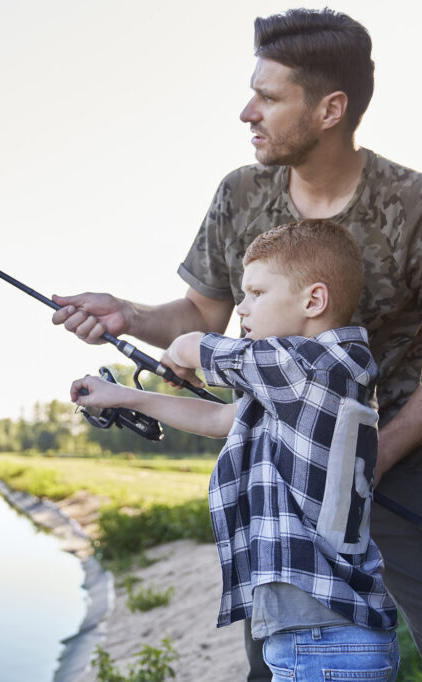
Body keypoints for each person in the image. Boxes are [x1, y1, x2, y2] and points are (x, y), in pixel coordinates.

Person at [53, 8, 422, 682]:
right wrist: (124, 313)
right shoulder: (240, 193)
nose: (248, 111)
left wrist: (373, 456)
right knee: (278, 658)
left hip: (395, 453)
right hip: (277, 462)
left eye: (269, 97)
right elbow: (201, 315)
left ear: (330, 109)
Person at [72, 220, 400, 680]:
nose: (241, 309)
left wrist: (184, 348)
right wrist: (124, 397)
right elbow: (221, 419)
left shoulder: (322, 367)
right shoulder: (289, 382)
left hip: (326, 642)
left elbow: (202, 347)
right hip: (308, 636)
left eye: (256, 294)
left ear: (314, 301)